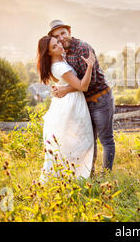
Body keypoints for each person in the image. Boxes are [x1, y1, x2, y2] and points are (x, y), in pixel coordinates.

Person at [47, 20, 115, 174]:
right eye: (57, 37)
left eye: (63, 33)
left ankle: (106, 175)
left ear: (69, 31)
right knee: (89, 141)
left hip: (100, 99)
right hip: (85, 102)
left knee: (106, 140)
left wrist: (66, 89)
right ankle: (89, 174)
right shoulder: (65, 52)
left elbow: (90, 82)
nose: (61, 38)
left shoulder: (82, 48)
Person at [37, 35, 95, 182]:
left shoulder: (61, 60)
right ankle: (77, 177)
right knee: (81, 141)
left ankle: (72, 176)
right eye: (55, 47)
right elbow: (83, 86)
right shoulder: (60, 66)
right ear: (49, 53)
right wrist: (89, 66)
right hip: (72, 105)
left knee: (71, 141)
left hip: (68, 102)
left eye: (57, 42)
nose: (59, 46)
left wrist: (65, 88)